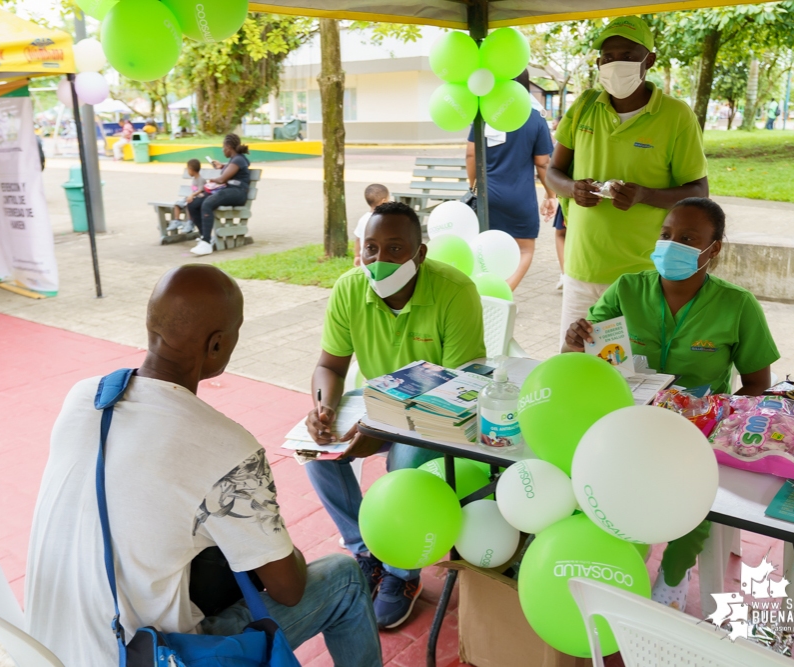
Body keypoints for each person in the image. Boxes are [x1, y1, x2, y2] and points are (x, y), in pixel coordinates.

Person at [25, 265, 382, 667]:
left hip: (44, 650)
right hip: (141, 657)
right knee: (344, 577)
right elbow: (289, 589)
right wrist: (271, 536)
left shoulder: (85, 396)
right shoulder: (226, 448)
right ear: (216, 346)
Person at [565, 198, 780, 610]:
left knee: (696, 495)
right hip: (627, 422)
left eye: (687, 238)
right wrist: (576, 339)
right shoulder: (628, 289)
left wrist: (720, 419)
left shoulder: (737, 306)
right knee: (612, 483)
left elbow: (756, 384)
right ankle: (622, 552)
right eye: (666, 235)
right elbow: (583, 354)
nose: (671, 244)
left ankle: (674, 574)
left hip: (695, 432)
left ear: (713, 249)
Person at [303, 201, 486, 629]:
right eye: (371, 249)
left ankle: (403, 572)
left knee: (400, 463)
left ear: (419, 254)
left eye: (395, 249)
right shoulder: (350, 289)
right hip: (376, 407)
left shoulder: (455, 291)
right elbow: (329, 366)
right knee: (317, 453)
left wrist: (381, 428)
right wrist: (323, 406)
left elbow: (459, 389)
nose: (380, 260)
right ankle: (367, 550)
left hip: (439, 414)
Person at [546, 15, 709, 349]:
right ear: (598, 62)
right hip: (582, 267)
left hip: (641, 276)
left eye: (628, 56)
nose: (615, 63)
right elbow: (553, 172)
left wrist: (644, 194)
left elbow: (698, 192)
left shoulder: (676, 116)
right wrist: (573, 189)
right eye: (608, 57)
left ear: (649, 60)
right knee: (575, 361)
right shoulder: (584, 107)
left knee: (629, 373)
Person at [466, 70, 558, 291]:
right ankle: (501, 294)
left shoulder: (484, 114)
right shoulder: (535, 118)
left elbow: (471, 154)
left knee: (484, 248)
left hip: (487, 196)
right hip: (520, 198)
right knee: (525, 250)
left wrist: (474, 186)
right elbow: (543, 163)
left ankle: (483, 292)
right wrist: (551, 195)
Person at [189, 134, 251, 257]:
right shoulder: (234, 160)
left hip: (237, 193)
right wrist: (221, 166)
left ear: (228, 147)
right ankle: (205, 237)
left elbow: (222, 179)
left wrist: (212, 180)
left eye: (223, 147)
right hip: (229, 191)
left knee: (208, 202)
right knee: (194, 204)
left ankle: (206, 244)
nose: (222, 150)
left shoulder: (238, 159)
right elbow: (230, 170)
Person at [353, 184, 390, 267]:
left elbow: (358, 239)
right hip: (380, 260)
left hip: (365, 259)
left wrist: (357, 256)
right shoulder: (385, 220)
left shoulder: (363, 219)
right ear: (383, 201)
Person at [170, 158, 207, 233]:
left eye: (188, 169)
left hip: (197, 199)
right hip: (191, 197)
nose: (187, 171)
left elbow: (201, 189)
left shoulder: (201, 179)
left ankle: (190, 222)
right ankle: (177, 221)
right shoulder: (194, 179)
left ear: (191, 169)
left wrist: (192, 195)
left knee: (189, 204)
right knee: (177, 204)